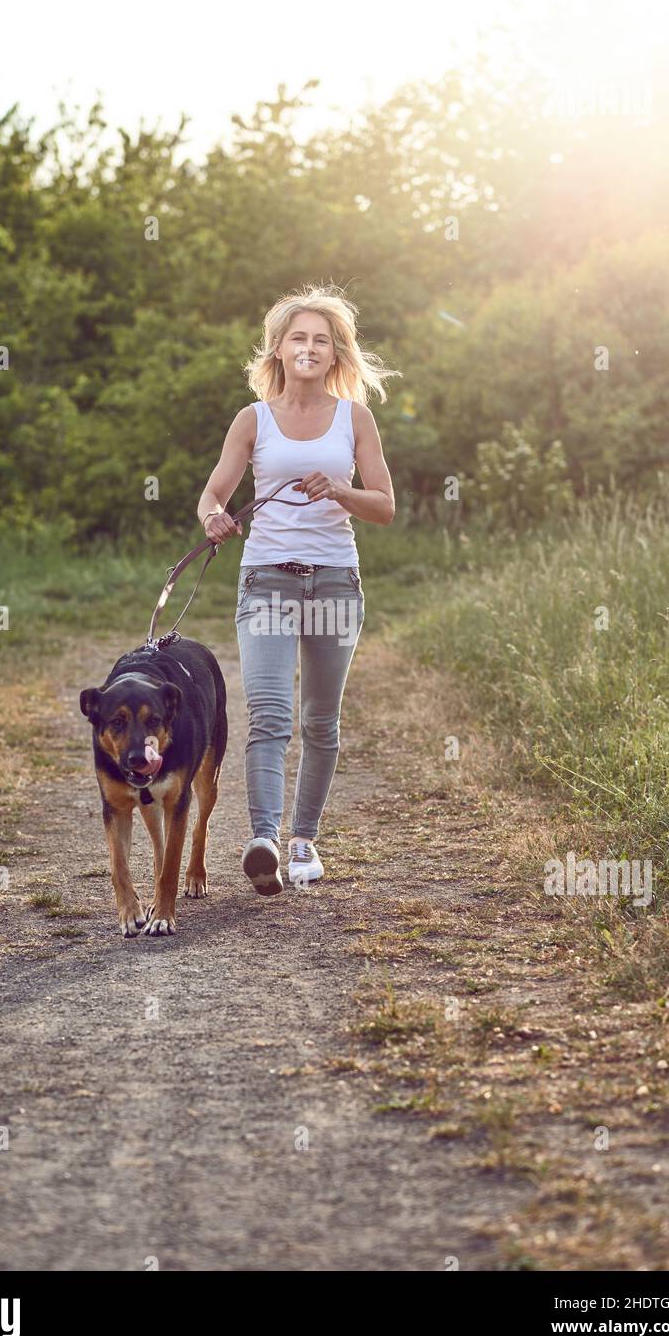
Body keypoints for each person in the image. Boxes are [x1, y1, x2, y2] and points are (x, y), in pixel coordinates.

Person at [196, 283, 399, 894]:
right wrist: (214, 516)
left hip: (335, 584)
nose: (309, 347)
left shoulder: (355, 419)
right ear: (278, 349)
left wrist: (338, 490)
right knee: (268, 716)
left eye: (321, 339)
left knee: (320, 721)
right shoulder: (252, 419)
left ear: (336, 353)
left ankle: (304, 841)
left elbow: (386, 507)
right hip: (266, 583)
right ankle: (263, 841)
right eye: (297, 338)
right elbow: (214, 493)